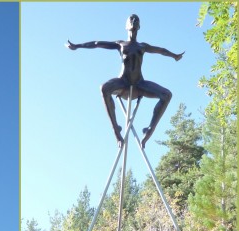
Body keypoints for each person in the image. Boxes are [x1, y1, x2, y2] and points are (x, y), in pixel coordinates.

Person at [66, 14, 184, 148]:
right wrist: (78, 46)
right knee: (104, 88)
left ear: (139, 26)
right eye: (131, 19)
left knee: (167, 95)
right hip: (123, 83)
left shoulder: (142, 46)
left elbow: (161, 50)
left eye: (137, 20)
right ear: (126, 25)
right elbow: (97, 44)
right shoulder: (120, 44)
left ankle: (150, 129)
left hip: (140, 83)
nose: (134, 21)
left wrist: (174, 56)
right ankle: (116, 130)